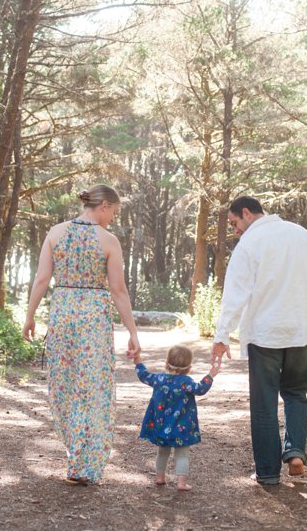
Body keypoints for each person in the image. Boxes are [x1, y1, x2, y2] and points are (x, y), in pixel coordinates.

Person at [211, 195, 307, 486]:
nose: (234, 231)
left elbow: (235, 295)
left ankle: (268, 472)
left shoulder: (249, 244)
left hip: (265, 334)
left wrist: (222, 336)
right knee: (296, 394)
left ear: (246, 213)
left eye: (234, 223)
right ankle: (295, 451)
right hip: (299, 331)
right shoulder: (301, 235)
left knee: (264, 404)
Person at [23, 184, 142, 485]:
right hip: (93, 319)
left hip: (62, 313)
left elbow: (41, 279)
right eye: (114, 212)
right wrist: (132, 331)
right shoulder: (108, 240)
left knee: (64, 386)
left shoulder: (56, 233)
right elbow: (118, 290)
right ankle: (82, 461)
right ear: (104, 206)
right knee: (92, 389)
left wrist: (29, 316)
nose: (113, 218)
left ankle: (76, 456)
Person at [136, 344, 220, 491]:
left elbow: (144, 375)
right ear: (189, 367)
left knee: (162, 452)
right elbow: (200, 389)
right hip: (182, 428)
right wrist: (210, 375)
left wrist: (137, 361)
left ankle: (160, 478)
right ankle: (181, 483)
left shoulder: (159, 379)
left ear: (166, 363)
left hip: (162, 426)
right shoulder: (186, 382)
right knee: (182, 455)